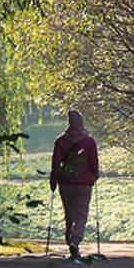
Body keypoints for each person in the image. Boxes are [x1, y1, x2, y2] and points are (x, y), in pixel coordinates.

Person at [50, 109, 99, 259]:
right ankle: (75, 240)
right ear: (81, 122)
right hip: (84, 183)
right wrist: (94, 177)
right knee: (81, 213)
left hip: (65, 182)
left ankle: (69, 239)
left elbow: (56, 163)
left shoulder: (61, 141)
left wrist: (54, 180)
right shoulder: (89, 142)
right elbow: (94, 163)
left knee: (69, 212)